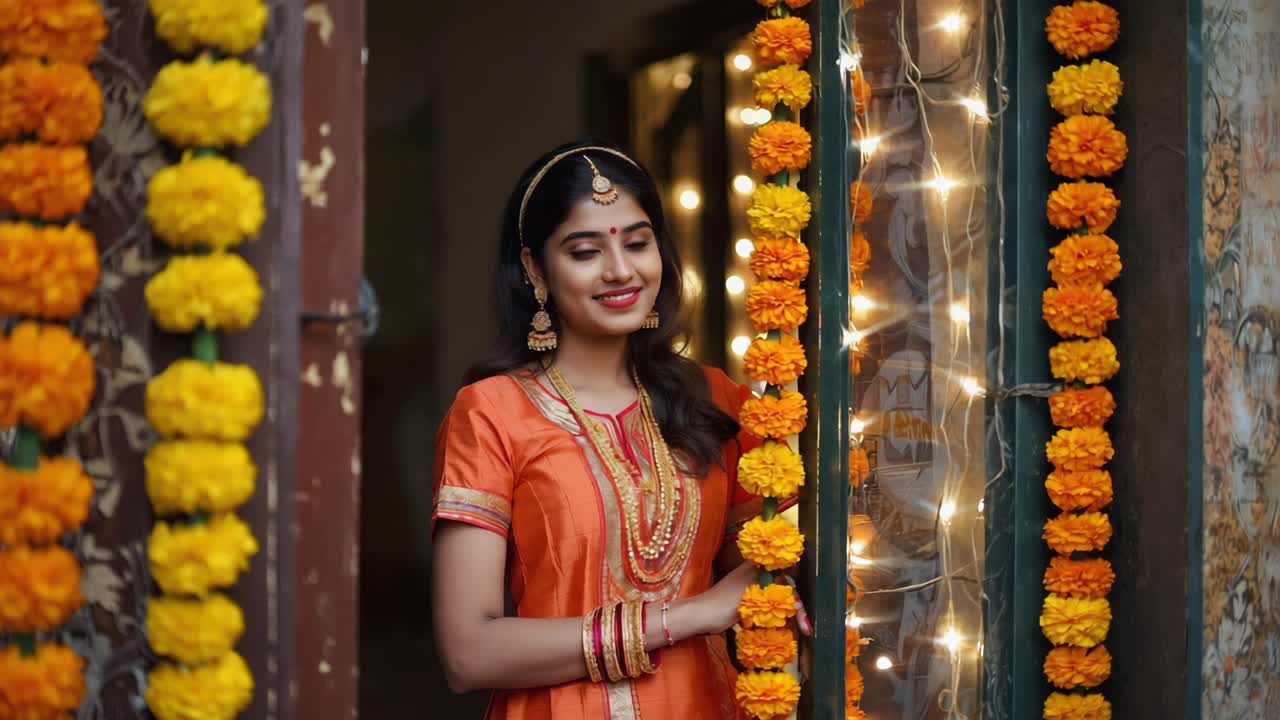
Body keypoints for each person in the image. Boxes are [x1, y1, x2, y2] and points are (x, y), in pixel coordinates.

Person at [431, 140, 803, 719]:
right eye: (584, 252)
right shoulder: (491, 413)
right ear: (535, 268)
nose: (621, 270)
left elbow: (767, 566)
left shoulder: (713, 399)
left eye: (637, 242)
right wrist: (692, 615)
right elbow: (469, 653)